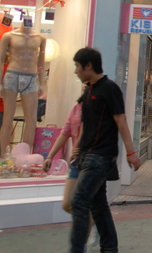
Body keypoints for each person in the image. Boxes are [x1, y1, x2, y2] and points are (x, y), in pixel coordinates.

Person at [69, 47, 140, 253]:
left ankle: (76, 250)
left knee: (79, 201)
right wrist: (77, 148)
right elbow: (85, 123)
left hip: (100, 157)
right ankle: (109, 248)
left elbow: (121, 120)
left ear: (88, 66)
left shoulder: (110, 88)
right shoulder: (88, 89)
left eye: (77, 67)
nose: (76, 71)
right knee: (97, 205)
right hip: (87, 156)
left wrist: (131, 152)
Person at [43, 97, 97, 245]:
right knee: (67, 203)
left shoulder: (95, 105)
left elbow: (86, 130)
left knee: (82, 204)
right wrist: (50, 156)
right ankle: (95, 221)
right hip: (76, 161)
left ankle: (82, 245)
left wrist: (78, 146)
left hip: (91, 160)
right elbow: (65, 132)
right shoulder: (76, 108)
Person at [0, 21, 46, 157]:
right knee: (7, 118)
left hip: (30, 78)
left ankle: (25, 156)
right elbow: (0, 60)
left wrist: (42, 82)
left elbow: (41, 62)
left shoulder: (40, 38)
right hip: (12, 75)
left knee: (31, 119)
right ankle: (3, 157)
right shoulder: (8, 36)